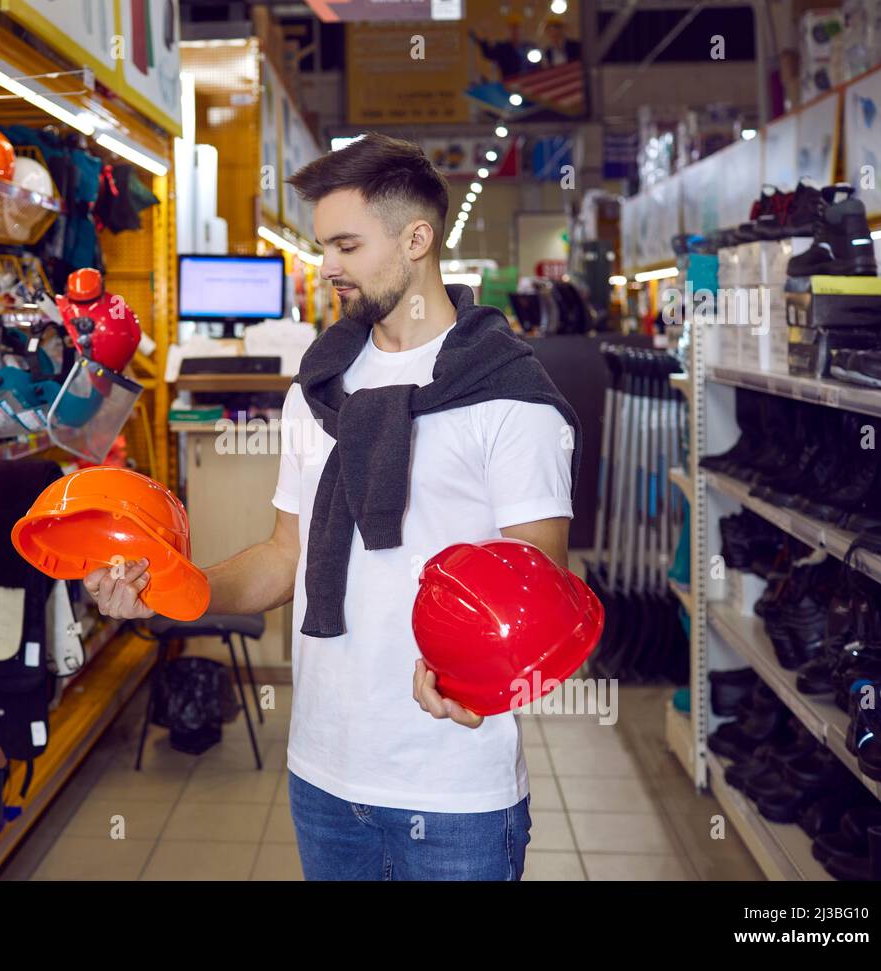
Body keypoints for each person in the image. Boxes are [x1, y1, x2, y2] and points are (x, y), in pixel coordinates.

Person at [84, 133, 580, 881]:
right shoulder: (317, 388)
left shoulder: (510, 397)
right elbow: (284, 555)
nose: (328, 268)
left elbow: (537, 588)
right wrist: (167, 587)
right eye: (325, 246)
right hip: (324, 773)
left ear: (418, 238)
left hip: (452, 784)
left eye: (346, 245)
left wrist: (477, 681)